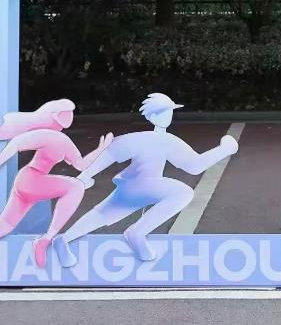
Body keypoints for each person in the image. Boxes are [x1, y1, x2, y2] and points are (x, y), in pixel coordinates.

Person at [55, 92, 238, 266]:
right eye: (164, 112)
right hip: (142, 186)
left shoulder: (158, 140)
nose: (169, 116)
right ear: (152, 116)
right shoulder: (152, 140)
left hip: (130, 188)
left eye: (170, 112)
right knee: (183, 193)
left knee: (102, 214)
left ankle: (63, 240)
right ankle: (137, 233)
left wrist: (83, 178)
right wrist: (225, 150)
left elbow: (194, 165)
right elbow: (109, 155)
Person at [0, 98, 114, 277]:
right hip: (32, 180)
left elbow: (80, 164)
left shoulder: (59, 139)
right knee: (76, 186)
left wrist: (100, 149)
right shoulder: (50, 136)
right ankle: (46, 239)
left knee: (5, 223)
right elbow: (15, 144)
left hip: (27, 182)